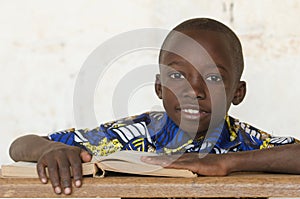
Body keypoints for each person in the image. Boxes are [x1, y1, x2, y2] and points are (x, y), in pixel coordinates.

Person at [9, 18, 300, 195]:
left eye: (213, 78)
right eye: (176, 76)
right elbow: (20, 146)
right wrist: (50, 151)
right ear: (159, 88)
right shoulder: (130, 137)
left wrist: (225, 162)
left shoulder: (246, 143)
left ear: (237, 92)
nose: (194, 91)